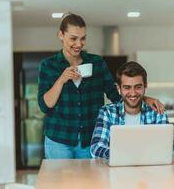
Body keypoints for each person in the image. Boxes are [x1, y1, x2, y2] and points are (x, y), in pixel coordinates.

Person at [38, 13, 165, 159]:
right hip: (58, 141)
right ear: (61, 35)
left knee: (90, 182)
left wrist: (143, 99)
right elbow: (45, 106)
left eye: (83, 38)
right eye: (73, 38)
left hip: (89, 139)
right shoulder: (48, 65)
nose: (79, 44)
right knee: (61, 183)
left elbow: (115, 94)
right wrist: (61, 80)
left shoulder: (97, 63)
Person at [90, 61, 169, 159]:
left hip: (149, 171)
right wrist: (123, 155)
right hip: (117, 171)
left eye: (138, 87)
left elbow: (167, 148)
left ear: (145, 87)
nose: (133, 93)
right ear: (119, 88)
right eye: (127, 87)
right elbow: (96, 148)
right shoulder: (107, 112)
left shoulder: (158, 112)